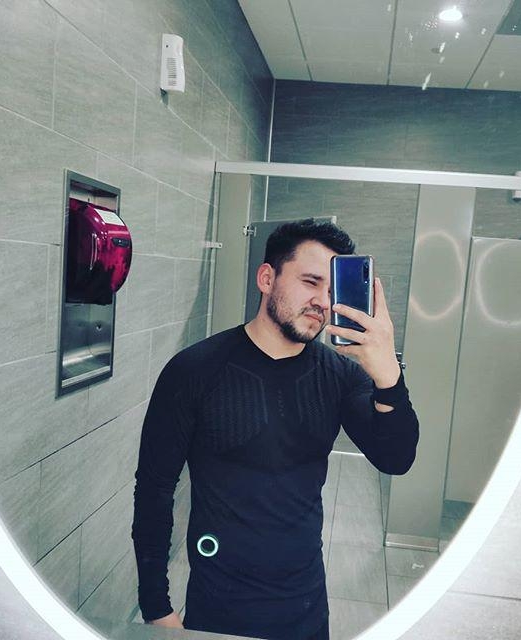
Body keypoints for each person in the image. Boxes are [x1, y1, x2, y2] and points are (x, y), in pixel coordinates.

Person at [131, 218, 419, 640]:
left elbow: (396, 458)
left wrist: (388, 377)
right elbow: (154, 489)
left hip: (306, 605)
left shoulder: (341, 376)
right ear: (267, 278)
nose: (322, 301)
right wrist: (156, 607)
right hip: (217, 608)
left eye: (331, 290)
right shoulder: (194, 370)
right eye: (310, 282)